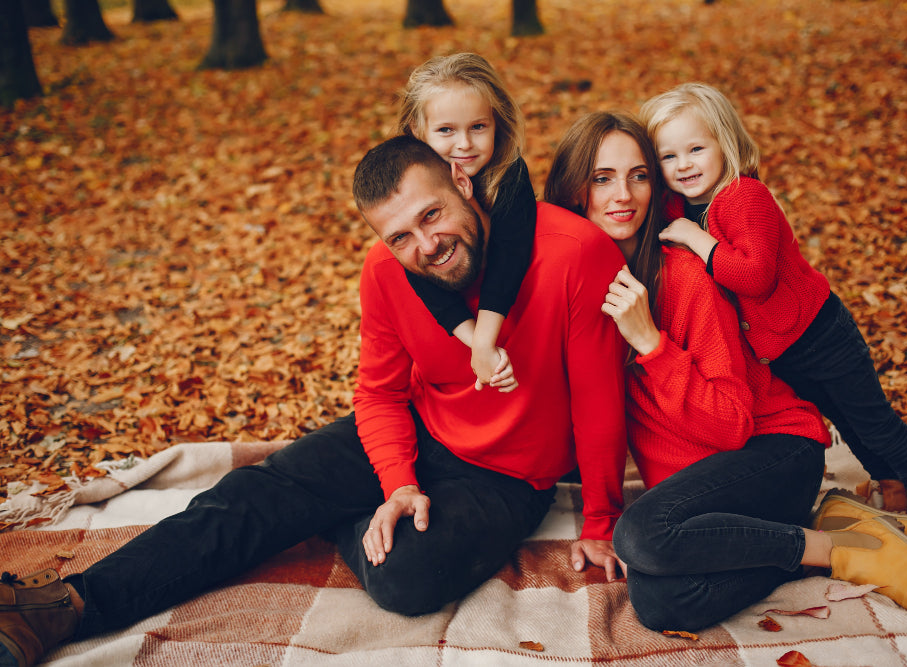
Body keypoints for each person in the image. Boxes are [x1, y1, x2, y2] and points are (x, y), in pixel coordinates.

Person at [0, 136, 628, 667]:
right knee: (247, 495)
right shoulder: (385, 272)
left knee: (407, 577)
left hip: (509, 475)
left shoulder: (573, 254)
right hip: (416, 431)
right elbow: (379, 394)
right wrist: (398, 484)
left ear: (462, 181)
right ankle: (64, 605)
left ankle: (335, 512)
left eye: (432, 216)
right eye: (401, 236)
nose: (426, 246)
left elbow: (601, 401)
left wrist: (600, 521)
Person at [543, 111, 907, 631]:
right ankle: (812, 527)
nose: (622, 194)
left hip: (773, 452)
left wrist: (652, 343)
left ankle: (840, 550)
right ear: (574, 189)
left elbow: (732, 424)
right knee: (658, 602)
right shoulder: (583, 284)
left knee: (641, 536)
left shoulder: (685, 277)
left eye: (639, 175)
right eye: (602, 178)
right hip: (705, 497)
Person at [641, 82, 907, 571]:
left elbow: (756, 276)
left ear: (726, 142)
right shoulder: (684, 205)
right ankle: (893, 492)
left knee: (876, 425)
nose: (684, 165)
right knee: (849, 426)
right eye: (668, 156)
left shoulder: (744, 197)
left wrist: (697, 241)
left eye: (696, 148)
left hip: (820, 334)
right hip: (781, 353)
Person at [398, 53, 537, 392]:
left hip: (518, 316)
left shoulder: (510, 173)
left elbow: (509, 256)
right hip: (448, 341)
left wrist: (484, 341)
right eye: (446, 130)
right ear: (418, 130)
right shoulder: (409, 183)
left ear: (496, 123)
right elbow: (418, 272)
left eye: (478, 127)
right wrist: (477, 343)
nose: (464, 144)